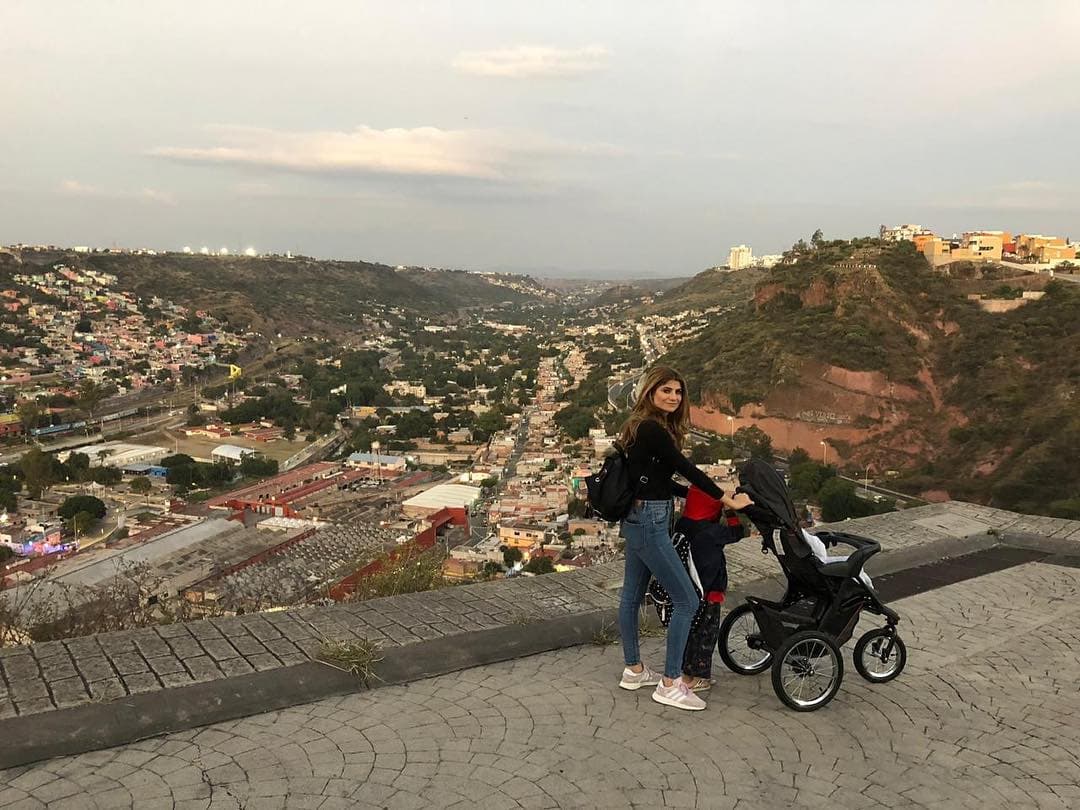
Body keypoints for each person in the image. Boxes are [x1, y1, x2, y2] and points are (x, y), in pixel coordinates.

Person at [615, 365, 751, 711]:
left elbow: (657, 478)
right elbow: (686, 468)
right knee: (688, 600)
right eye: (666, 391)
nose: (674, 397)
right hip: (650, 521)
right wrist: (725, 498)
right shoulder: (653, 429)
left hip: (636, 515)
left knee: (632, 595)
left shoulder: (639, 427)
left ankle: (633, 670)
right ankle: (670, 682)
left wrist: (694, 493)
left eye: (678, 392)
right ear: (650, 392)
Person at [677, 485, 746, 691]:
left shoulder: (682, 525)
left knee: (689, 633)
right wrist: (730, 510)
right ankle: (697, 678)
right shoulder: (712, 532)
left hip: (688, 589)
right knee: (706, 635)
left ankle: (684, 672)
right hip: (709, 592)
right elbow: (737, 532)